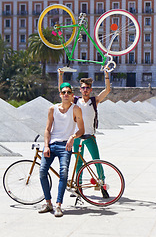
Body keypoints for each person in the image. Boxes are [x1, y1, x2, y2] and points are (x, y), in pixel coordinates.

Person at [58, 68, 110, 198]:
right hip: (77, 137)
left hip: (90, 137)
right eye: (83, 88)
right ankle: (78, 187)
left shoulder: (94, 101)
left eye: (87, 88)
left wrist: (106, 74)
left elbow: (107, 90)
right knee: (78, 163)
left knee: (97, 160)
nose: (85, 90)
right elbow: (62, 90)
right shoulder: (75, 101)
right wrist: (60, 76)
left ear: (90, 89)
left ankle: (102, 184)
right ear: (80, 90)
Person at [39, 82, 84, 217]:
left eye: (68, 92)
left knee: (63, 173)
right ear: (60, 94)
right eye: (63, 92)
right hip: (52, 144)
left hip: (66, 146)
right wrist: (46, 145)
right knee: (42, 171)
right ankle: (48, 203)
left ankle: (58, 205)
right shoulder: (52, 109)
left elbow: (82, 129)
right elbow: (47, 129)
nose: (66, 94)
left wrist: (73, 137)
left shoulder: (76, 109)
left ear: (72, 95)